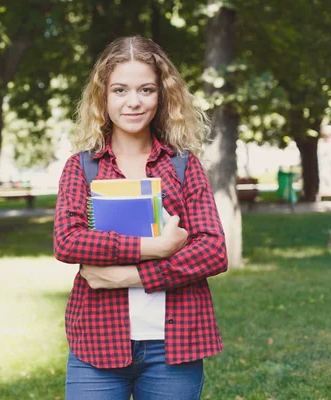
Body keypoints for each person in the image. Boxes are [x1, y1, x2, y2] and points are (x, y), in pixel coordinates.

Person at [53, 36, 228, 400]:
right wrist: (157, 246)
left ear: (162, 96)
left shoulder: (183, 165)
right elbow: (67, 241)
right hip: (97, 344)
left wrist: (128, 277)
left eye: (146, 89)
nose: (133, 101)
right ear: (103, 97)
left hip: (174, 346)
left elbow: (213, 250)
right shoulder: (82, 167)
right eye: (120, 90)